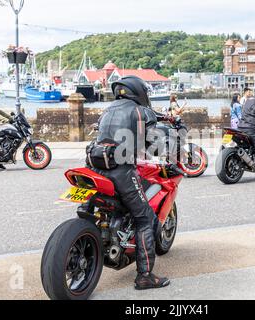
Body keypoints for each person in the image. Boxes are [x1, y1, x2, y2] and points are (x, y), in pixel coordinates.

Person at [85, 75, 170, 289]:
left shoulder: (108, 109)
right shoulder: (142, 111)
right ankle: (145, 276)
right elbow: (154, 145)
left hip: (94, 166)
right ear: (139, 92)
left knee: (93, 207)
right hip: (120, 170)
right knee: (145, 218)